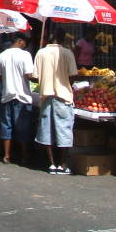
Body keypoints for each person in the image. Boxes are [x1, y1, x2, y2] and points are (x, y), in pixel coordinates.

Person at [33, 28, 79, 175]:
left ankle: (52, 164)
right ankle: (63, 164)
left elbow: (35, 76)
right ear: (64, 38)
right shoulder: (67, 53)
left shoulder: (40, 53)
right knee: (64, 130)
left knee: (47, 131)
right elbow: (72, 76)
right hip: (63, 97)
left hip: (46, 97)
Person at [0, 36, 34, 165]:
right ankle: (25, 156)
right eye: (25, 44)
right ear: (20, 41)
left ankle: (6, 155)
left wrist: (8, 81)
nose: (25, 47)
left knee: (6, 125)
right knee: (22, 126)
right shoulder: (25, 55)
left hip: (7, 95)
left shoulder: (2, 55)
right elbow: (29, 75)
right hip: (22, 96)